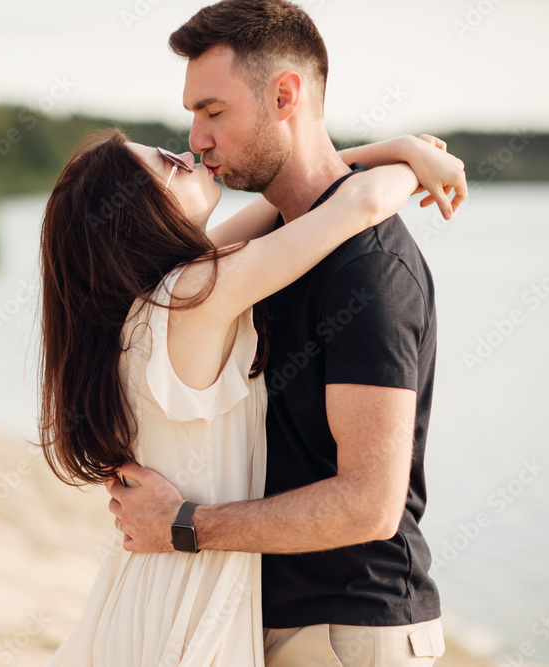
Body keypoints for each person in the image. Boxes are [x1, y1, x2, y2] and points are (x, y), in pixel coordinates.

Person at [105, 2, 467, 665]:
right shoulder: (247, 262)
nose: (197, 140)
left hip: (349, 626)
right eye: (193, 117)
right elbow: (327, 193)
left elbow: (368, 505)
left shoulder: (369, 266)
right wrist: (401, 153)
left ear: (284, 95)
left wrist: (183, 525)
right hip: (272, 620)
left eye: (212, 112)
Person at [39, 129, 464, 662]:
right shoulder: (193, 294)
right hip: (186, 591)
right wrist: (419, 165)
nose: (190, 152)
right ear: (139, 213)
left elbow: (300, 195)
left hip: (154, 581)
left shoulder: (153, 303)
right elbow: (361, 202)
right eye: (170, 161)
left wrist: (400, 147)